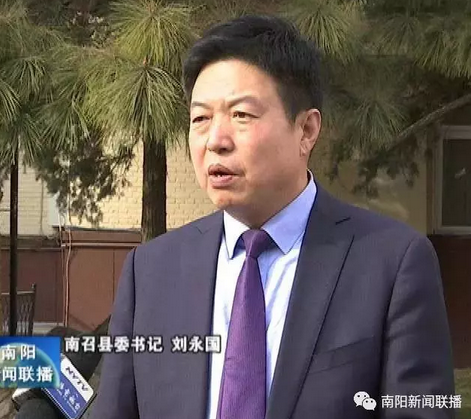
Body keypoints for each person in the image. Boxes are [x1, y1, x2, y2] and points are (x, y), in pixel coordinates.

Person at [92, 14, 455, 419]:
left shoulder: (393, 262)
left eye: (241, 115)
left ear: (306, 130)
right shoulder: (151, 271)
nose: (216, 140)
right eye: (200, 119)